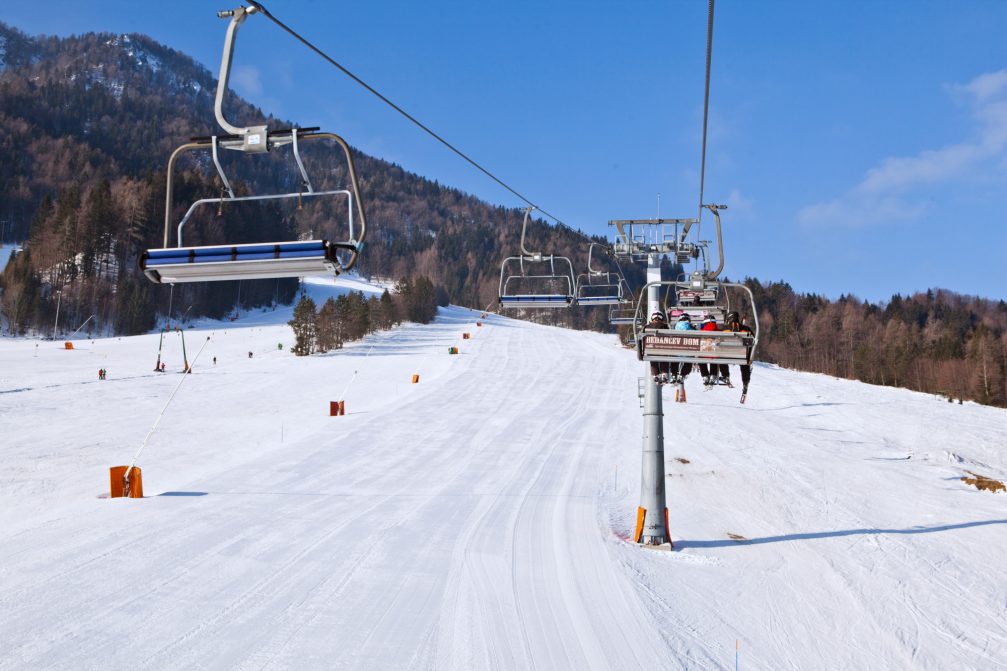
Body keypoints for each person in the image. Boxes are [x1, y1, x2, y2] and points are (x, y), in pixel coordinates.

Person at [724, 311, 753, 394]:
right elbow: (752, 341)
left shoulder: (724, 329)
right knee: (745, 362)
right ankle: (745, 382)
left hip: (726, 355)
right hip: (741, 356)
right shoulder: (746, 329)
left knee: (720, 357)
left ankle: (725, 375)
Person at [698, 314, 730, 387]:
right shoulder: (720, 332)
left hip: (703, 355)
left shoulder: (700, 332)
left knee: (701, 357)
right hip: (715, 355)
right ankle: (714, 375)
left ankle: (705, 375)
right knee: (716, 355)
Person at [646, 311, 672, 383]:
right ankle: (664, 374)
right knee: (664, 356)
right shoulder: (665, 327)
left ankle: (655, 375)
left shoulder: (647, 327)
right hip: (662, 350)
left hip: (650, 350)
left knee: (653, 359)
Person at [669, 314, 694, 381]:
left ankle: (674, 373)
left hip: (676, 351)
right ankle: (683, 374)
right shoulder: (690, 327)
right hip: (688, 352)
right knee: (689, 362)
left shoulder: (675, 327)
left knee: (675, 359)